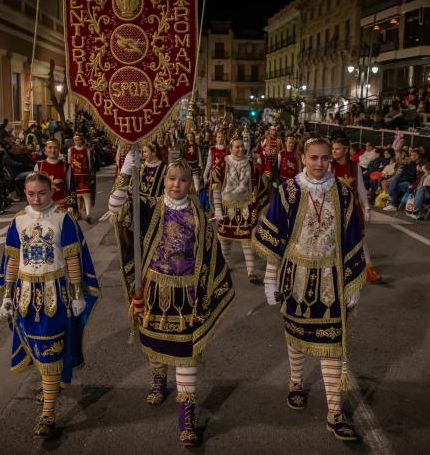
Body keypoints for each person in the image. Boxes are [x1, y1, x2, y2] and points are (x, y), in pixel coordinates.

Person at [105, 159, 235, 446]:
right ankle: (158, 380)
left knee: (186, 354)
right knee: (154, 344)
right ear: (164, 180)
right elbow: (115, 208)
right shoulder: (149, 206)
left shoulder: (199, 216)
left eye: (183, 180)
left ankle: (186, 421)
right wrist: (127, 169)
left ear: (190, 184)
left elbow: (209, 256)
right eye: (172, 179)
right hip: (154, 291)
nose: (176, 185)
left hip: (187, 296)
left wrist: (208, 291)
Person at [252, 135, 366, 442]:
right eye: (313, 157)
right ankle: (296, 382)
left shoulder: (342, 192)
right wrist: (270, 278)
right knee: (297, 337)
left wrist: (353, 281)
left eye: (325, 158)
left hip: (331, 279)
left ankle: (335, 412)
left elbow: (352, 237)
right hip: (296, 277)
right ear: (303, 158)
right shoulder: (288, 191)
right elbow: (276, 238)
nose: (319, 163)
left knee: (332, 343)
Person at [0, 172, 100, 437]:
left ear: (51, 191)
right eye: (31, 193)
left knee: (50, 350)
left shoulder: (64, 219)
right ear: (24, 193)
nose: (36, 199)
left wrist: (77, 295)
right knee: (36, 347)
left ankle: (48, 414)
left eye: (42, 193)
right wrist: (7, 294)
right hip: (25, 297)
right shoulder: (18, 220)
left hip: (55, 297)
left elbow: (73, 258)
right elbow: (12, 259)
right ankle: (49, 386)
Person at [212, 136, 270, 283]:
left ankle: (251, 271)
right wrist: (217, 208)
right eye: (237, 147)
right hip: (226, 208)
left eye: (242, 146)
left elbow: (258, 186)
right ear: (230, 149)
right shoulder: (222, 164)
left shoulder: (251, 165)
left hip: (245, 208)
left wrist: (256, 205)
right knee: (225, 240)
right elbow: (216, 187)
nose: (240, 149)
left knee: (246, 240)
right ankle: (225, 266)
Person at [330, 138, 381, 282]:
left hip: (353, 208)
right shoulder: (329, 166)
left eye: (337, 149)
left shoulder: (354, 167)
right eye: (333, 149)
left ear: (346, 150)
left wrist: (367, 207)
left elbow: (360, 188)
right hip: (335, 209)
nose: (334, 151)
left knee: (360, 239)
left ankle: (368, 270)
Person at [34, 139, 74, 211]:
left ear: (59, 149)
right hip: (44, 205)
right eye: (50, 147)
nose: (53, 150)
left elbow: (70, 186)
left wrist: (71, 205)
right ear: (45, 149)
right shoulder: (39, 165)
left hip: (62, 205)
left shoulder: (66, 166)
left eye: (55, 147)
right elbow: (35, 187)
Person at [68, 134, 93, 223]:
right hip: (74, 176)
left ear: (81, 140)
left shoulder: (87, 150)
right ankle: (78, 213)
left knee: (86, 195)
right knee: (77, 196)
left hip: (84, 176)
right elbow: (69, 163)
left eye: (78, 140)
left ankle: (88, 214)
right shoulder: (70, 150)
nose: (77, 142)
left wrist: (90, 175)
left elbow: (89, 164)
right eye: (75, 140)